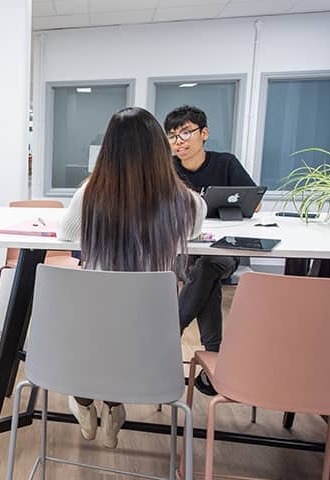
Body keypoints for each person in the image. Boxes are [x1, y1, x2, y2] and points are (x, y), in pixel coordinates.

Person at [58, 107, 206, 449]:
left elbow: (66, 234)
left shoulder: (90, 194)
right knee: (122, 332)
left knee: (95, 329)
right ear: (159, 148)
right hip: (151, 335)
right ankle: (112, 407)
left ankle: (85, 401)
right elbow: (197, 228)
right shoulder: (186, 203)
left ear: (108, 150)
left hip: (90, 332)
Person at [164, 105, 256, 396]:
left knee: (208, 267)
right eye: (172, 136)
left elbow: (255, 202)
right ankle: (213, 363)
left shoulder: (225, 163)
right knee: (205, 273)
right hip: (184, 252)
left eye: (185, 133)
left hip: (223, 249)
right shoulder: (166, 168)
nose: (179, 141)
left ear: (204, 134)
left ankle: (169, 333)